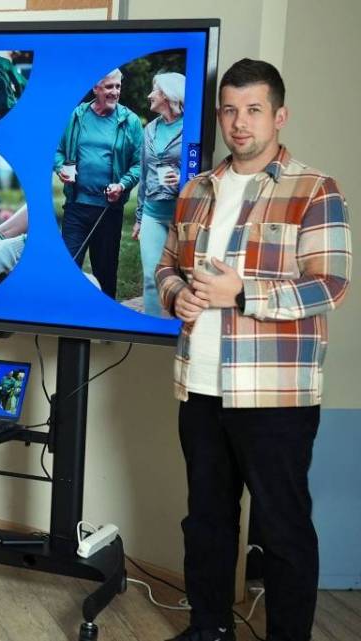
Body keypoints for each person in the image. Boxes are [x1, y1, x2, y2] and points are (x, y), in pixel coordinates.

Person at [156, 59, 351, 641]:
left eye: (254, 110)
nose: (240, 123)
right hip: (200, 387)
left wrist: (243, 294)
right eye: (230, 110)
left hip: (275, 397)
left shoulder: (314, 190)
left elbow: (330, 284)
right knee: (206, 522)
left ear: (279, 116)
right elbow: (167, 266)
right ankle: (209, 629)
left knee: (283, 530)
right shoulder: (196, 189)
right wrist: (176, 296)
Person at [54, 69, 143, 299]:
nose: (115, 92)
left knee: (105, 276)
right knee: (67, 270)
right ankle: (68, 318)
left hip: (108, 210)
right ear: (95, 88)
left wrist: (122, 185)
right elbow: (57, 150)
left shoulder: (130, 121)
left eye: (118, 86)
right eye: (109, 86)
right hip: (76, 207)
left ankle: (103, 320)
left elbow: (139, 164)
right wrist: (61, 167)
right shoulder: (77, 116)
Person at [133, 72, 185, 317]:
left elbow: (202, 170)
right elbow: (144, 175)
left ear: (167, 95)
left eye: (154, 90)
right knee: (150, 277)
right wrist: (139, 217)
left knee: (182, 279)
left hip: (182, 215)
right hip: (153, 213)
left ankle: (180, 327)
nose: (149, 95)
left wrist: (182, 179)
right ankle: (150, 328)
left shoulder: (190, 126)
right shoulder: (150, 129)